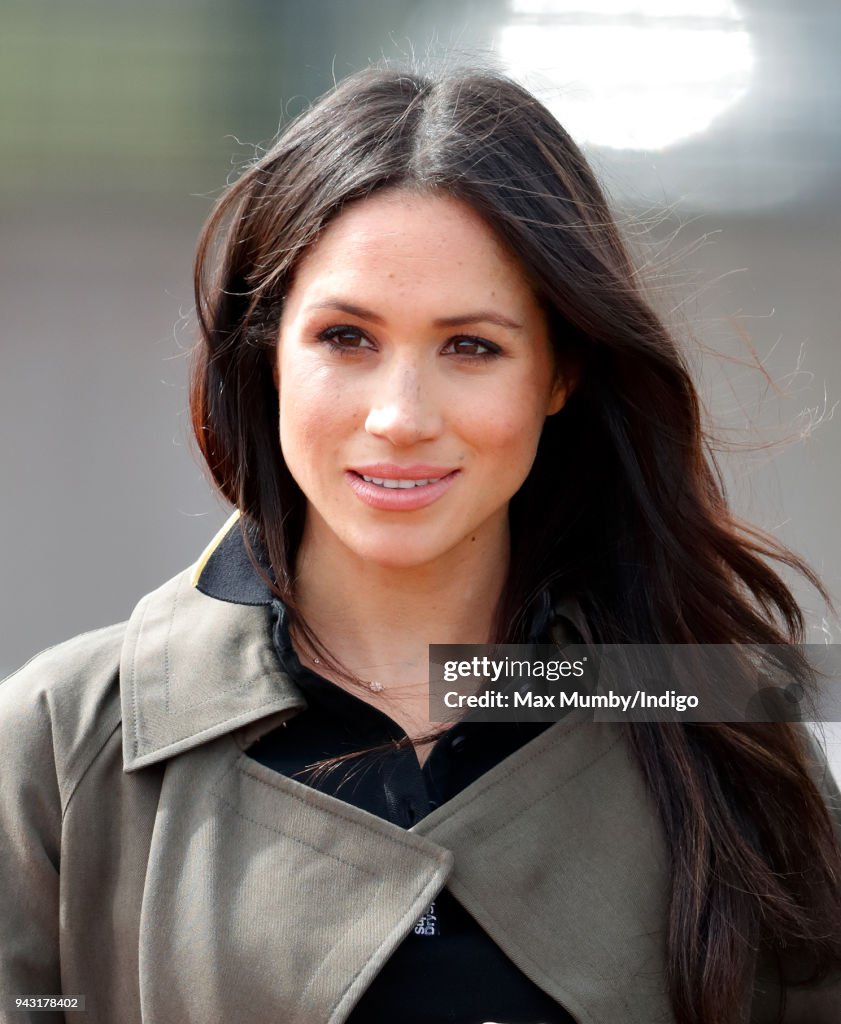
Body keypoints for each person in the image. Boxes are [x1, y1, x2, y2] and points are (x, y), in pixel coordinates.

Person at [1, 64, 840, 1024]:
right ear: (267, 352)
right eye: (346, 338)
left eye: (470, 347)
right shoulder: (57, 745)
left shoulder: (722, 722)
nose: (400, 417)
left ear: (560, 374)